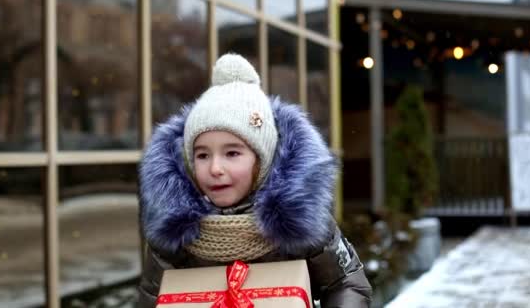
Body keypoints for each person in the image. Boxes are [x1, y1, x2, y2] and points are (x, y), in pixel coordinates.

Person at [138, 54, 372, 307]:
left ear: (262, 159)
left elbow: (346, 284)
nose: (215, 168)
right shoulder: (173, 234)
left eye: (232, 153)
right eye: (202, 155)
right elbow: (152, 299)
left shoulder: (302, 223)